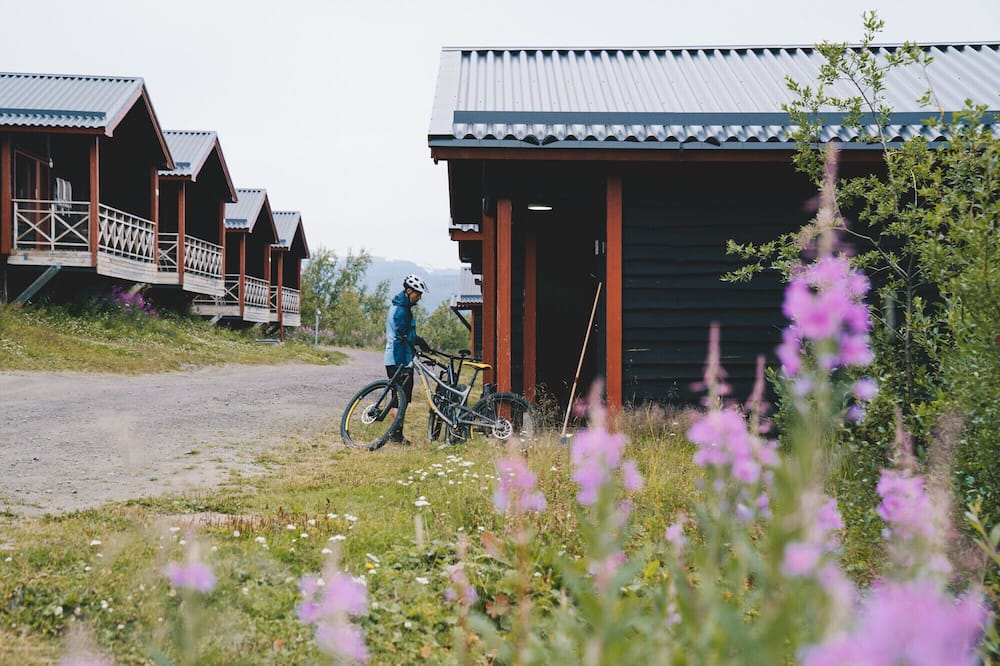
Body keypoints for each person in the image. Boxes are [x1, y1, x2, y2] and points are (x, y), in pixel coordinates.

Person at [384, 274, 430, 443]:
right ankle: (395, 436)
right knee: (400, 399)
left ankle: (396, 434)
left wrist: (419, 341)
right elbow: (401, 338)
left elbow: (406, 334)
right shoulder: (402, 310)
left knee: (399, 398)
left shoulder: (399, 306)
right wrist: (403, 365)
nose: (419, 297)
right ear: (409, 291)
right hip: (399, 359)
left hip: (396, 358)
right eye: (417, 293)